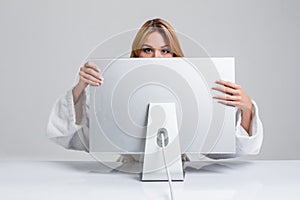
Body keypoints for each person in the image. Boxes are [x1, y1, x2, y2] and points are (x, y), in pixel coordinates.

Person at [47, 18, 263, 157]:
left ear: (176, 55)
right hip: (125, 179)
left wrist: (246, 109)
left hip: (183, 178)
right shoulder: (115, 89)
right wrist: (81, 87)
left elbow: (228, 148)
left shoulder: (195, 90)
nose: (156, 57)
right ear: (137, 53)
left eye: (165, 51)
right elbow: (77, 139)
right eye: (148, 50)